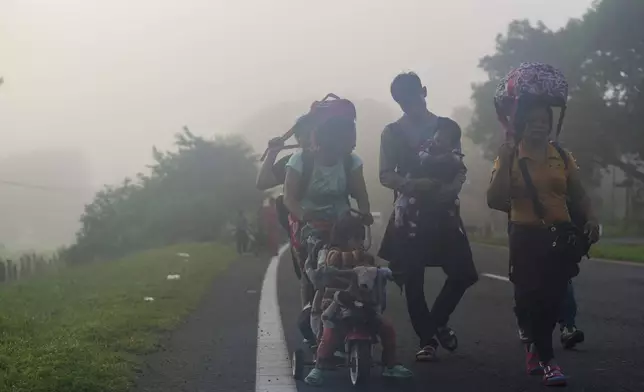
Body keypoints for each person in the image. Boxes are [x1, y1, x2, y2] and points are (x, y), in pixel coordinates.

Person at [487, 101, 599, 385]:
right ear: (521, 124)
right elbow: (495, 200)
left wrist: (591, 219)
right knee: (528, 297)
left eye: (544, 120)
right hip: (525, 235)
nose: (539, 124)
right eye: (533, 120)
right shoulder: (510, 155)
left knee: (553, 297)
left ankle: (544, 355)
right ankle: (541, 352)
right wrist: (503, 161)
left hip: (560, 235)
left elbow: (579, 192)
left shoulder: (561, 154)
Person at [378, 72, 479, 362]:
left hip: (444, 209)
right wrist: (412, 185)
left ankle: (436, 322)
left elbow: (459, 165)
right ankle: (427, 339)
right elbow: (385, 174)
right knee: (413, 277)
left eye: (412, 96)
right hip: (409, 213)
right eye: (401, 100)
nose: (408, 104)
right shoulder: (391, 133)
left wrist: (452, 189)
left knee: (463, 274)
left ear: (423, 91)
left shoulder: (448, 128)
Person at [303, 213, 413, 386]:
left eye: (361, 238)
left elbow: (373, 270)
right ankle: (319, 365)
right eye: (355, 238)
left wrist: (385, 273)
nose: (360, 242)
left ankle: (391, 364)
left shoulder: (366, 257)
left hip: (364, 302)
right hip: (337, 302)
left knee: (387, 328)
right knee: (330, 332)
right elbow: (325, 272)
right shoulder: (334, 254)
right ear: (343, 238)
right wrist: (329, 272)